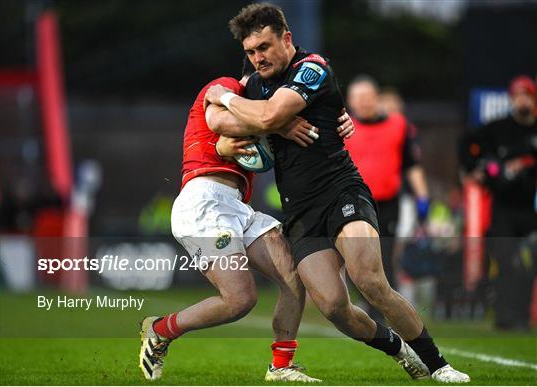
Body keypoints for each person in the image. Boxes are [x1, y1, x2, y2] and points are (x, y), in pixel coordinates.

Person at [203, 3, 470, 383]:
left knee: (371, 280)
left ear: (287, 38)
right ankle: (397, 348)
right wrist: (267, 120)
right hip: (299, 209)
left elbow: (259, 116)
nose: (257, 58)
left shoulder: (311, 68)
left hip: (340, 189)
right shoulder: (255, 84)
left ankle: (438, 364)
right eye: (250, 52)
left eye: (264, 47)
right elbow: (215, 120)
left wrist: (233, 101)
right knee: (332, 305)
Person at [138, 59, 354, 382]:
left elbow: (304, 120)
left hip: (237, 207)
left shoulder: (263, 106)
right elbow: (218, 119)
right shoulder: (228, 87)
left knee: (294, 276)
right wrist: (276, 125)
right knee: (240, 300)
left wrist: (341, 120)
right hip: (203, 201)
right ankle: (160, 330)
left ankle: (281, 366)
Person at [461, 75, 537, 330]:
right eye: (517, 96)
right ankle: (503, 316)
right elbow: (467, 145)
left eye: (526, 95)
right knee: (505, 261)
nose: (522, 101)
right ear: (511, 99)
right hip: (503, 206)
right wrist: (473, 170)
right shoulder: (497, 129)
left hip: (531, 207)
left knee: (528, 264)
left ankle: (522, 316)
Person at [345, 75, 430, 286]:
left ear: (377, 98)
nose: (364, 102)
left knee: (385, 258)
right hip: (353, 202)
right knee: (356, 257)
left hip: (388, 202)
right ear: (350, 101)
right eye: (358, 98)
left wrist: (423, 197)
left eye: (368, 96)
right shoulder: (343, 129)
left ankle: (383, 310)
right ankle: (362, 304)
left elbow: (411, 165)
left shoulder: (398, 125)